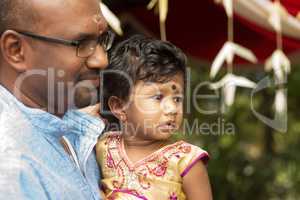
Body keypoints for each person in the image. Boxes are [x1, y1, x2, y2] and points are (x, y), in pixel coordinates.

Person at [0, 0, 113, 199]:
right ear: (16, 50)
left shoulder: (69, 123)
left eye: (102, 40)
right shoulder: (11, 166)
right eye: (81, 43)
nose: (102, 60)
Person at [96, 35, 213, 200]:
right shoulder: (104, 147)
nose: (172, 109)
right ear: (119, 106)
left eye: (177, 99)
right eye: (158, 97)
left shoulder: (186, 162)